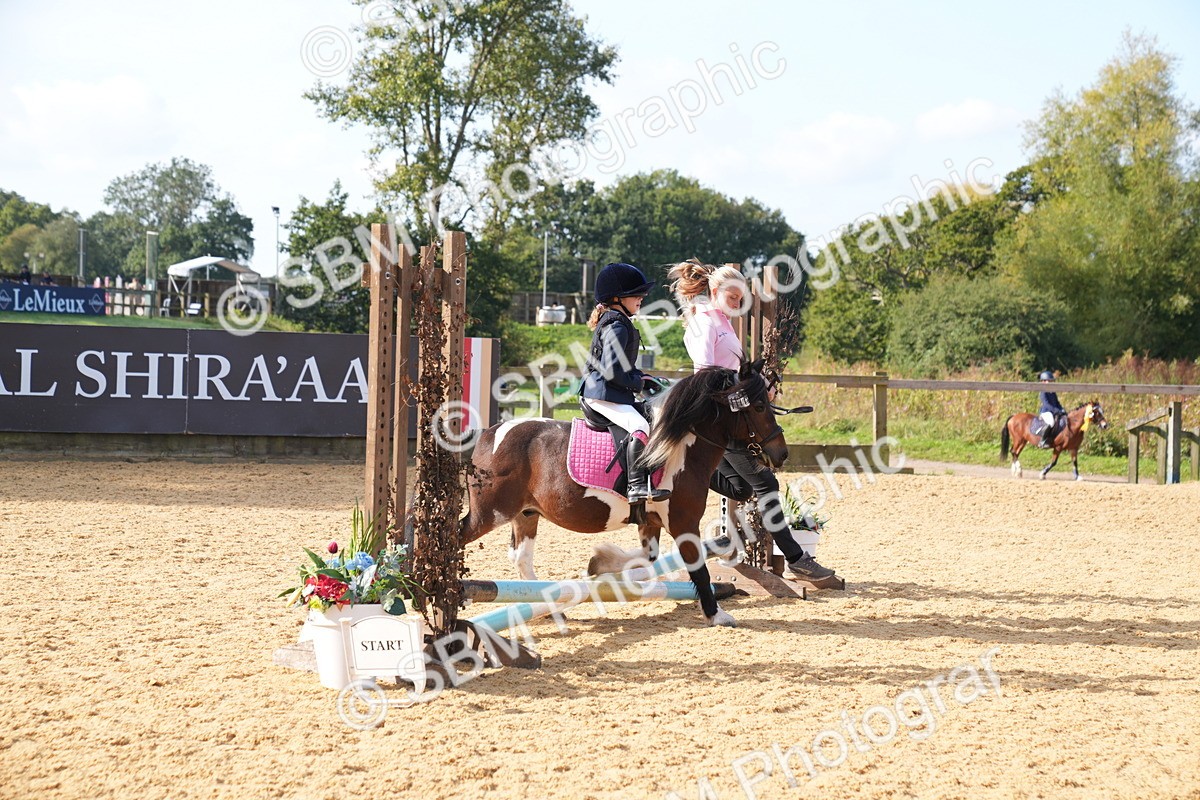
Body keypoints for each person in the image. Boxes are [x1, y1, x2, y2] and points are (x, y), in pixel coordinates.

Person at [668, 258, 836, 582]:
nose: (736, 304)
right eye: (732, 297)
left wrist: (759, 386)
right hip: (719, 421)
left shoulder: (723, 321)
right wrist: (742, 395)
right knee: (766, 483)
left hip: (733, 420)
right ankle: (797, 558)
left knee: (742, 489)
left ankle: (711, 530)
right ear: (714, 290)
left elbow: (732, 373)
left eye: (740, 299)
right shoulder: (705, 321)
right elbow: (706, 376)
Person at [580, 262, 671, 508]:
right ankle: (636, 485)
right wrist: (637, 382)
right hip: (601, 394)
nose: (642, 298)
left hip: (610, 392)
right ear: (618, 298)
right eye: (636, 294)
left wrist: (644, 378)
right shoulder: (617, 325)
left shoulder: (618, 320)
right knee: (640, 426)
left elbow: (621, 367)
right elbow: (611, 371)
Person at [1037, 370, 1065, 448]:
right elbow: (1046, 404)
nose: (1050, 382)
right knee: (1051, 422)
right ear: (1043, 381)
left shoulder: (1052, 391)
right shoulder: (1043, 392)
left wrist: (1061, 409)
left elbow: (1057, 402)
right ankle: (1042, 441)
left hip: (1054, 411)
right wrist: (1056, 410)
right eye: (1048, 381)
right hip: (1046, 411)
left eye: (1051, 381)